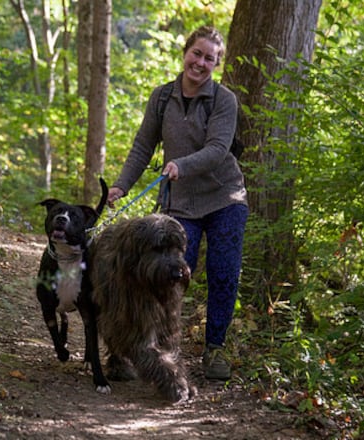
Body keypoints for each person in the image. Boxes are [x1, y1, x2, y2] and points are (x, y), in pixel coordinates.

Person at [107, 25, 248, 380]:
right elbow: (142, 147)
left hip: (225, 198)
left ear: (217, 64)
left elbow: (218, 150)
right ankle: (160, 347)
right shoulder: (161, 98)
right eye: (196, 53)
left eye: (209, 59)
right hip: (179, 205)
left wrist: (180, 164)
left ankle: (214, 349)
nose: (200, 63)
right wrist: (121, 186)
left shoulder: (224, 100)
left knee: (224, 273)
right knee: (164, 276)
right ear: (185, 52)